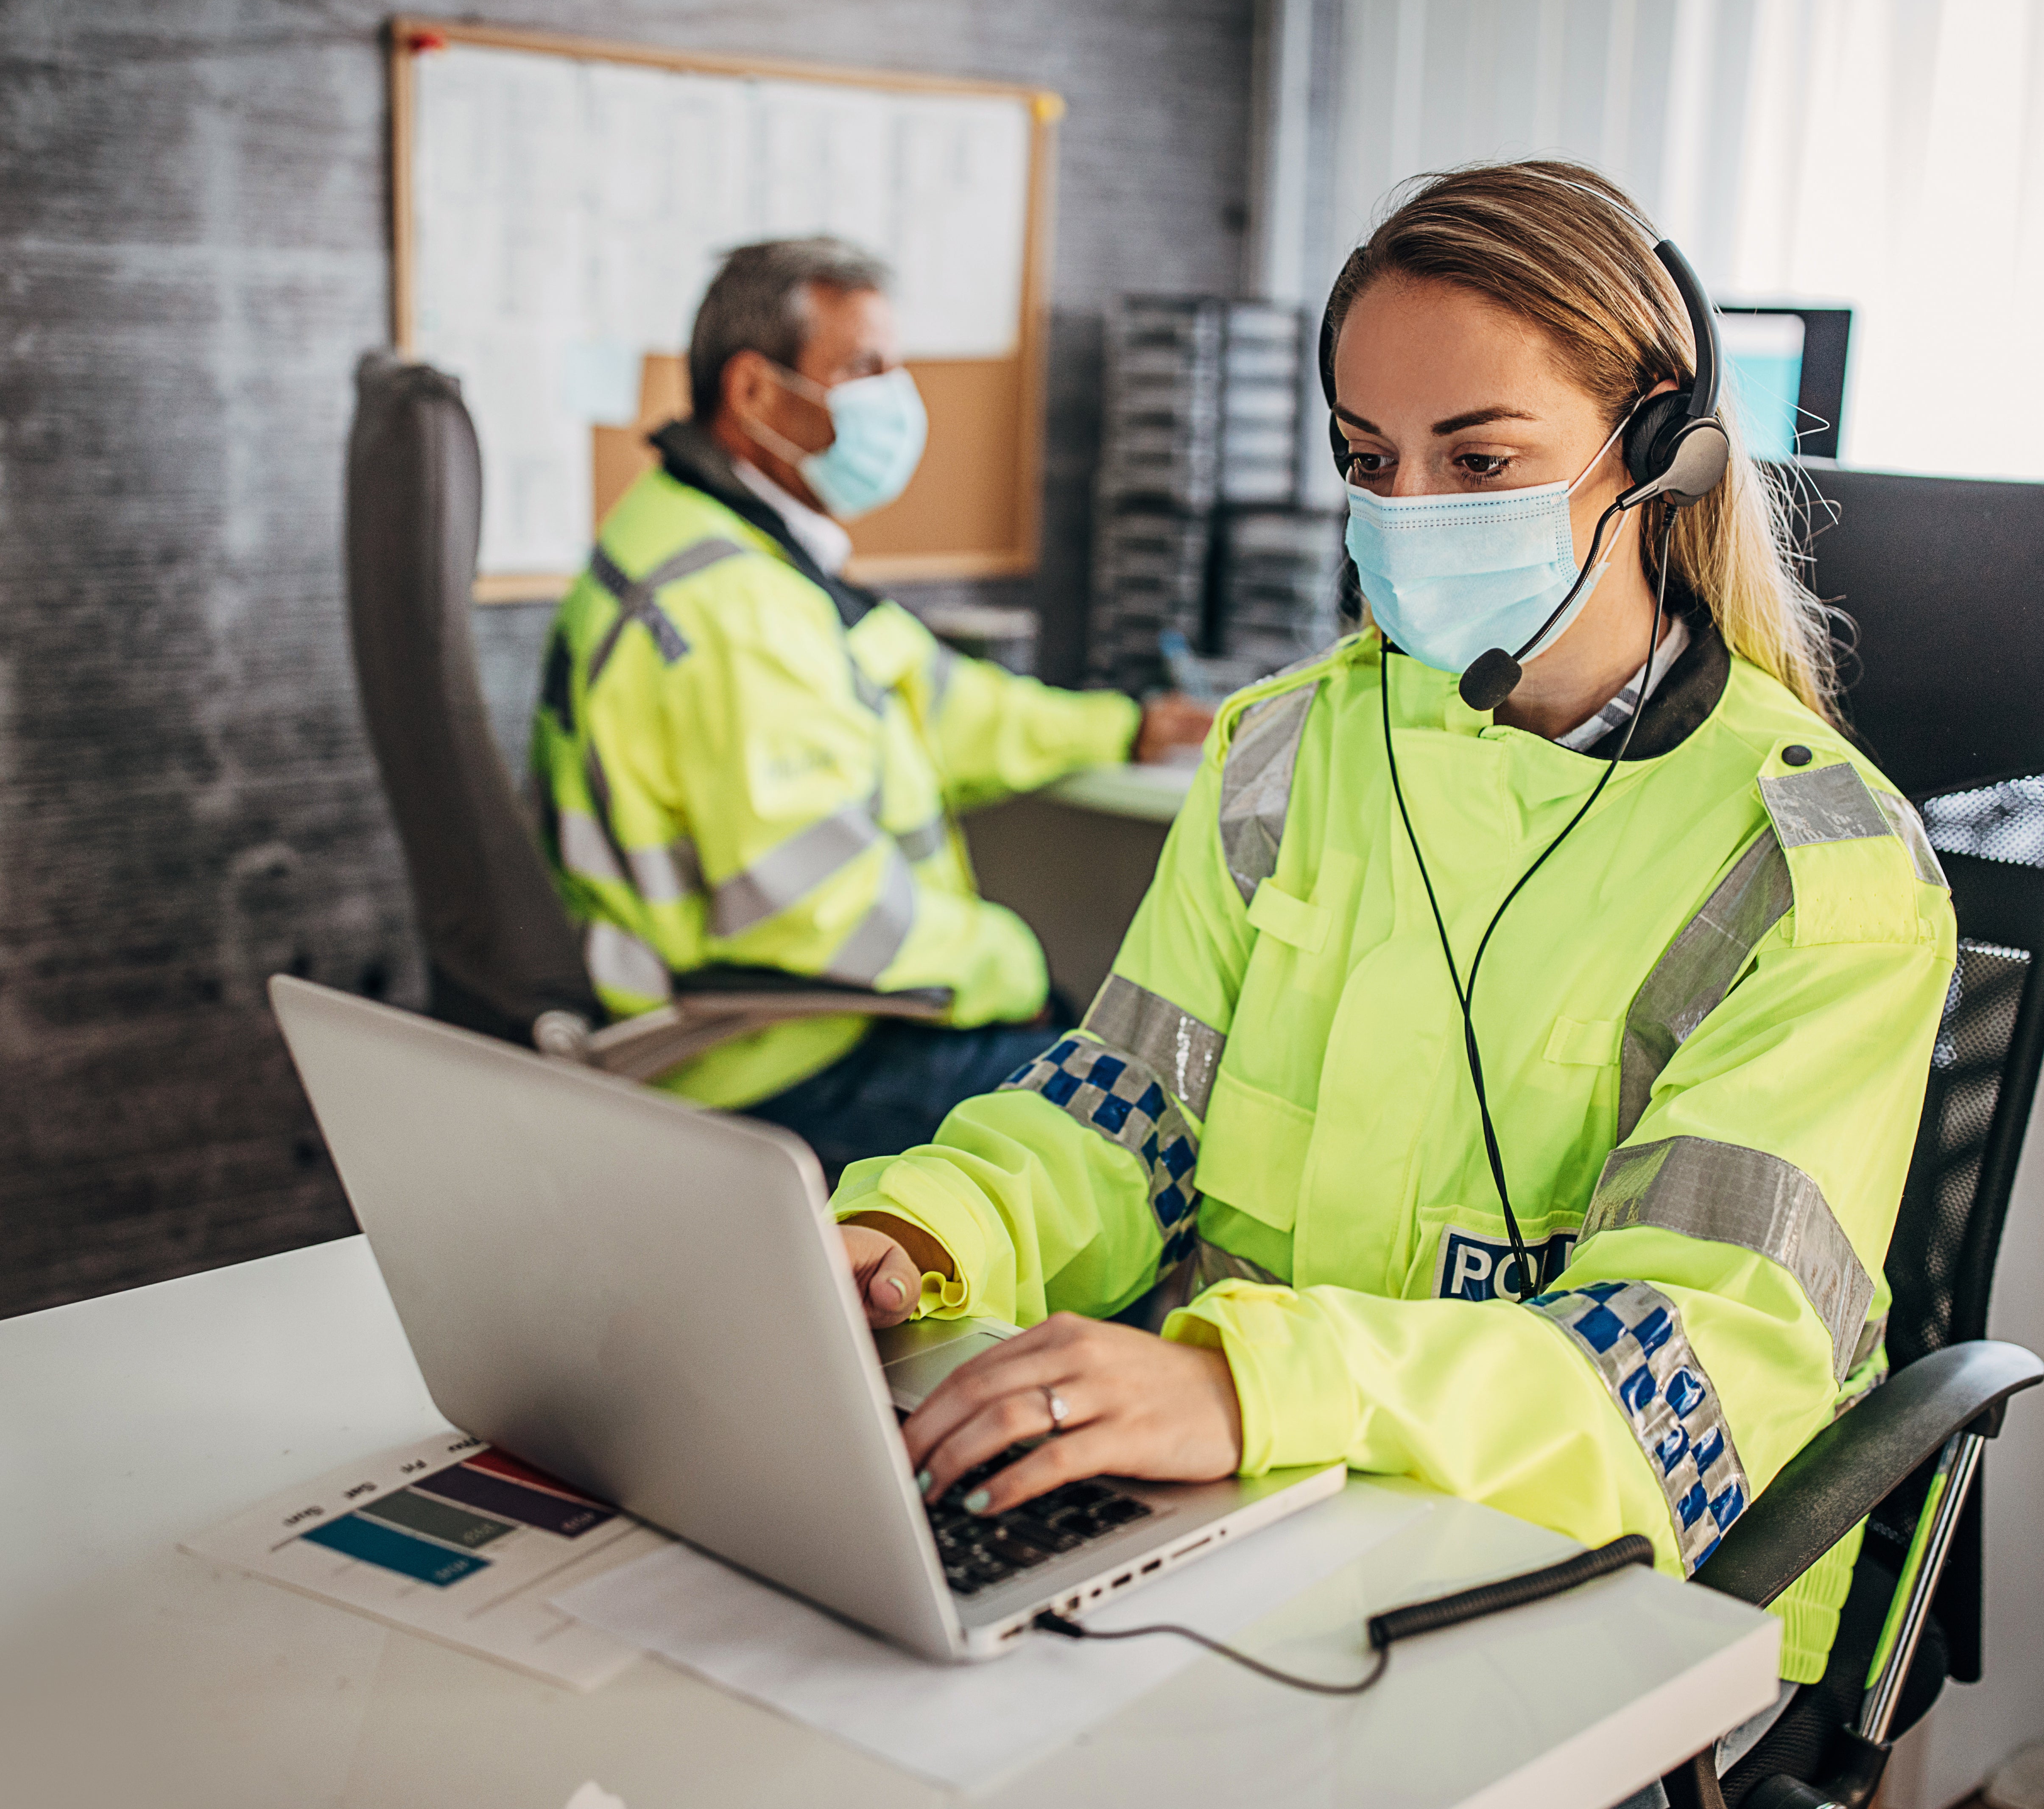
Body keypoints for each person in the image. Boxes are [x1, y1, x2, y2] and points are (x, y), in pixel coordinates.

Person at [827, 163, 1957, 1708]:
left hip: (1594, 1582)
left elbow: (1688, 1379)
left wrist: (1248, 1383)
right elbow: (1117, 1115)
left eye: (1479, 457)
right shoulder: (1287, 751)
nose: (1406, 514)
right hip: (1265, 1516)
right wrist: (925, 1230)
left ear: (1656, 451)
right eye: (1369, 457)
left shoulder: (1812, 869)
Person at [530, 237, 1214, 1170]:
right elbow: (817, 906)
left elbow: (934, 700)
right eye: (862, 369)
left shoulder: (723, 533)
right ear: (757, 395)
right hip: (770, 1052)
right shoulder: (731, 606)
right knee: (1126, 1138)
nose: (895, 398)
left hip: (794, 1013)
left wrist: (1123, 726)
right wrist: (1009, 964)